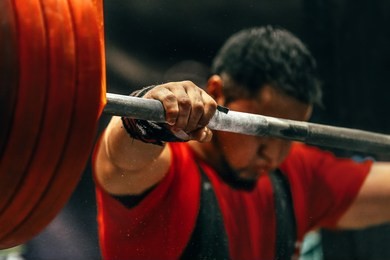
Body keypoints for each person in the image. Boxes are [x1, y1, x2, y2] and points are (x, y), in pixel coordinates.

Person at [92, 25, 390, 259]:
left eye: (287, 136)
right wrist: (152, 110)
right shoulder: (167, 174)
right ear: (217, 92)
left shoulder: (296, 170)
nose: (272, 155)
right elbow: (120, 155)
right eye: (262, 130)